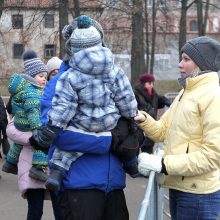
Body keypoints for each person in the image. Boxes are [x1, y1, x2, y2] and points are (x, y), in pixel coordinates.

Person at [29, 15, 137, 220]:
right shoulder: (60, 81)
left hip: (113, 182)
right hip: (80, 185)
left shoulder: (112, 73)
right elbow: (58, 135)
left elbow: (129, 113)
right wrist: (109, 140)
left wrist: (131, 132)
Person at [135, 36, 220, 220]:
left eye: (186, 59)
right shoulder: (186, 92)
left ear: (202, 64)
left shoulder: (213, 96)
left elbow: (213, 156)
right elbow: (162, 131)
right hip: (178, 187)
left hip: (199, 195)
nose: (180, 64)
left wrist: (163, 165)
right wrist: (142, 119)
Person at [2, 58, 48, 181]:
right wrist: (37, 127)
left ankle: (10, 163)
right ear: (32, 77)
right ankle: (38, 167)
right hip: (29, 122)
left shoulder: (23, 89)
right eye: (41, 76)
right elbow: (32, 110)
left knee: (18, 143)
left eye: (45, 77)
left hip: (19, 122)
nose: (44, 79)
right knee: (42, 143)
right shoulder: (32, 91)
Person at [134, 72, 171, 154]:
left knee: (148, 153)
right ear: (143, 83)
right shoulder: (136, 94)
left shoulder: (153, 94)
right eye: (149, 83)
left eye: (152, 83)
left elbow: (159, 100)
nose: (152, 85)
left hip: (151, 126)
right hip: (139, 128)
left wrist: (167, 102)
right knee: (135, 152)